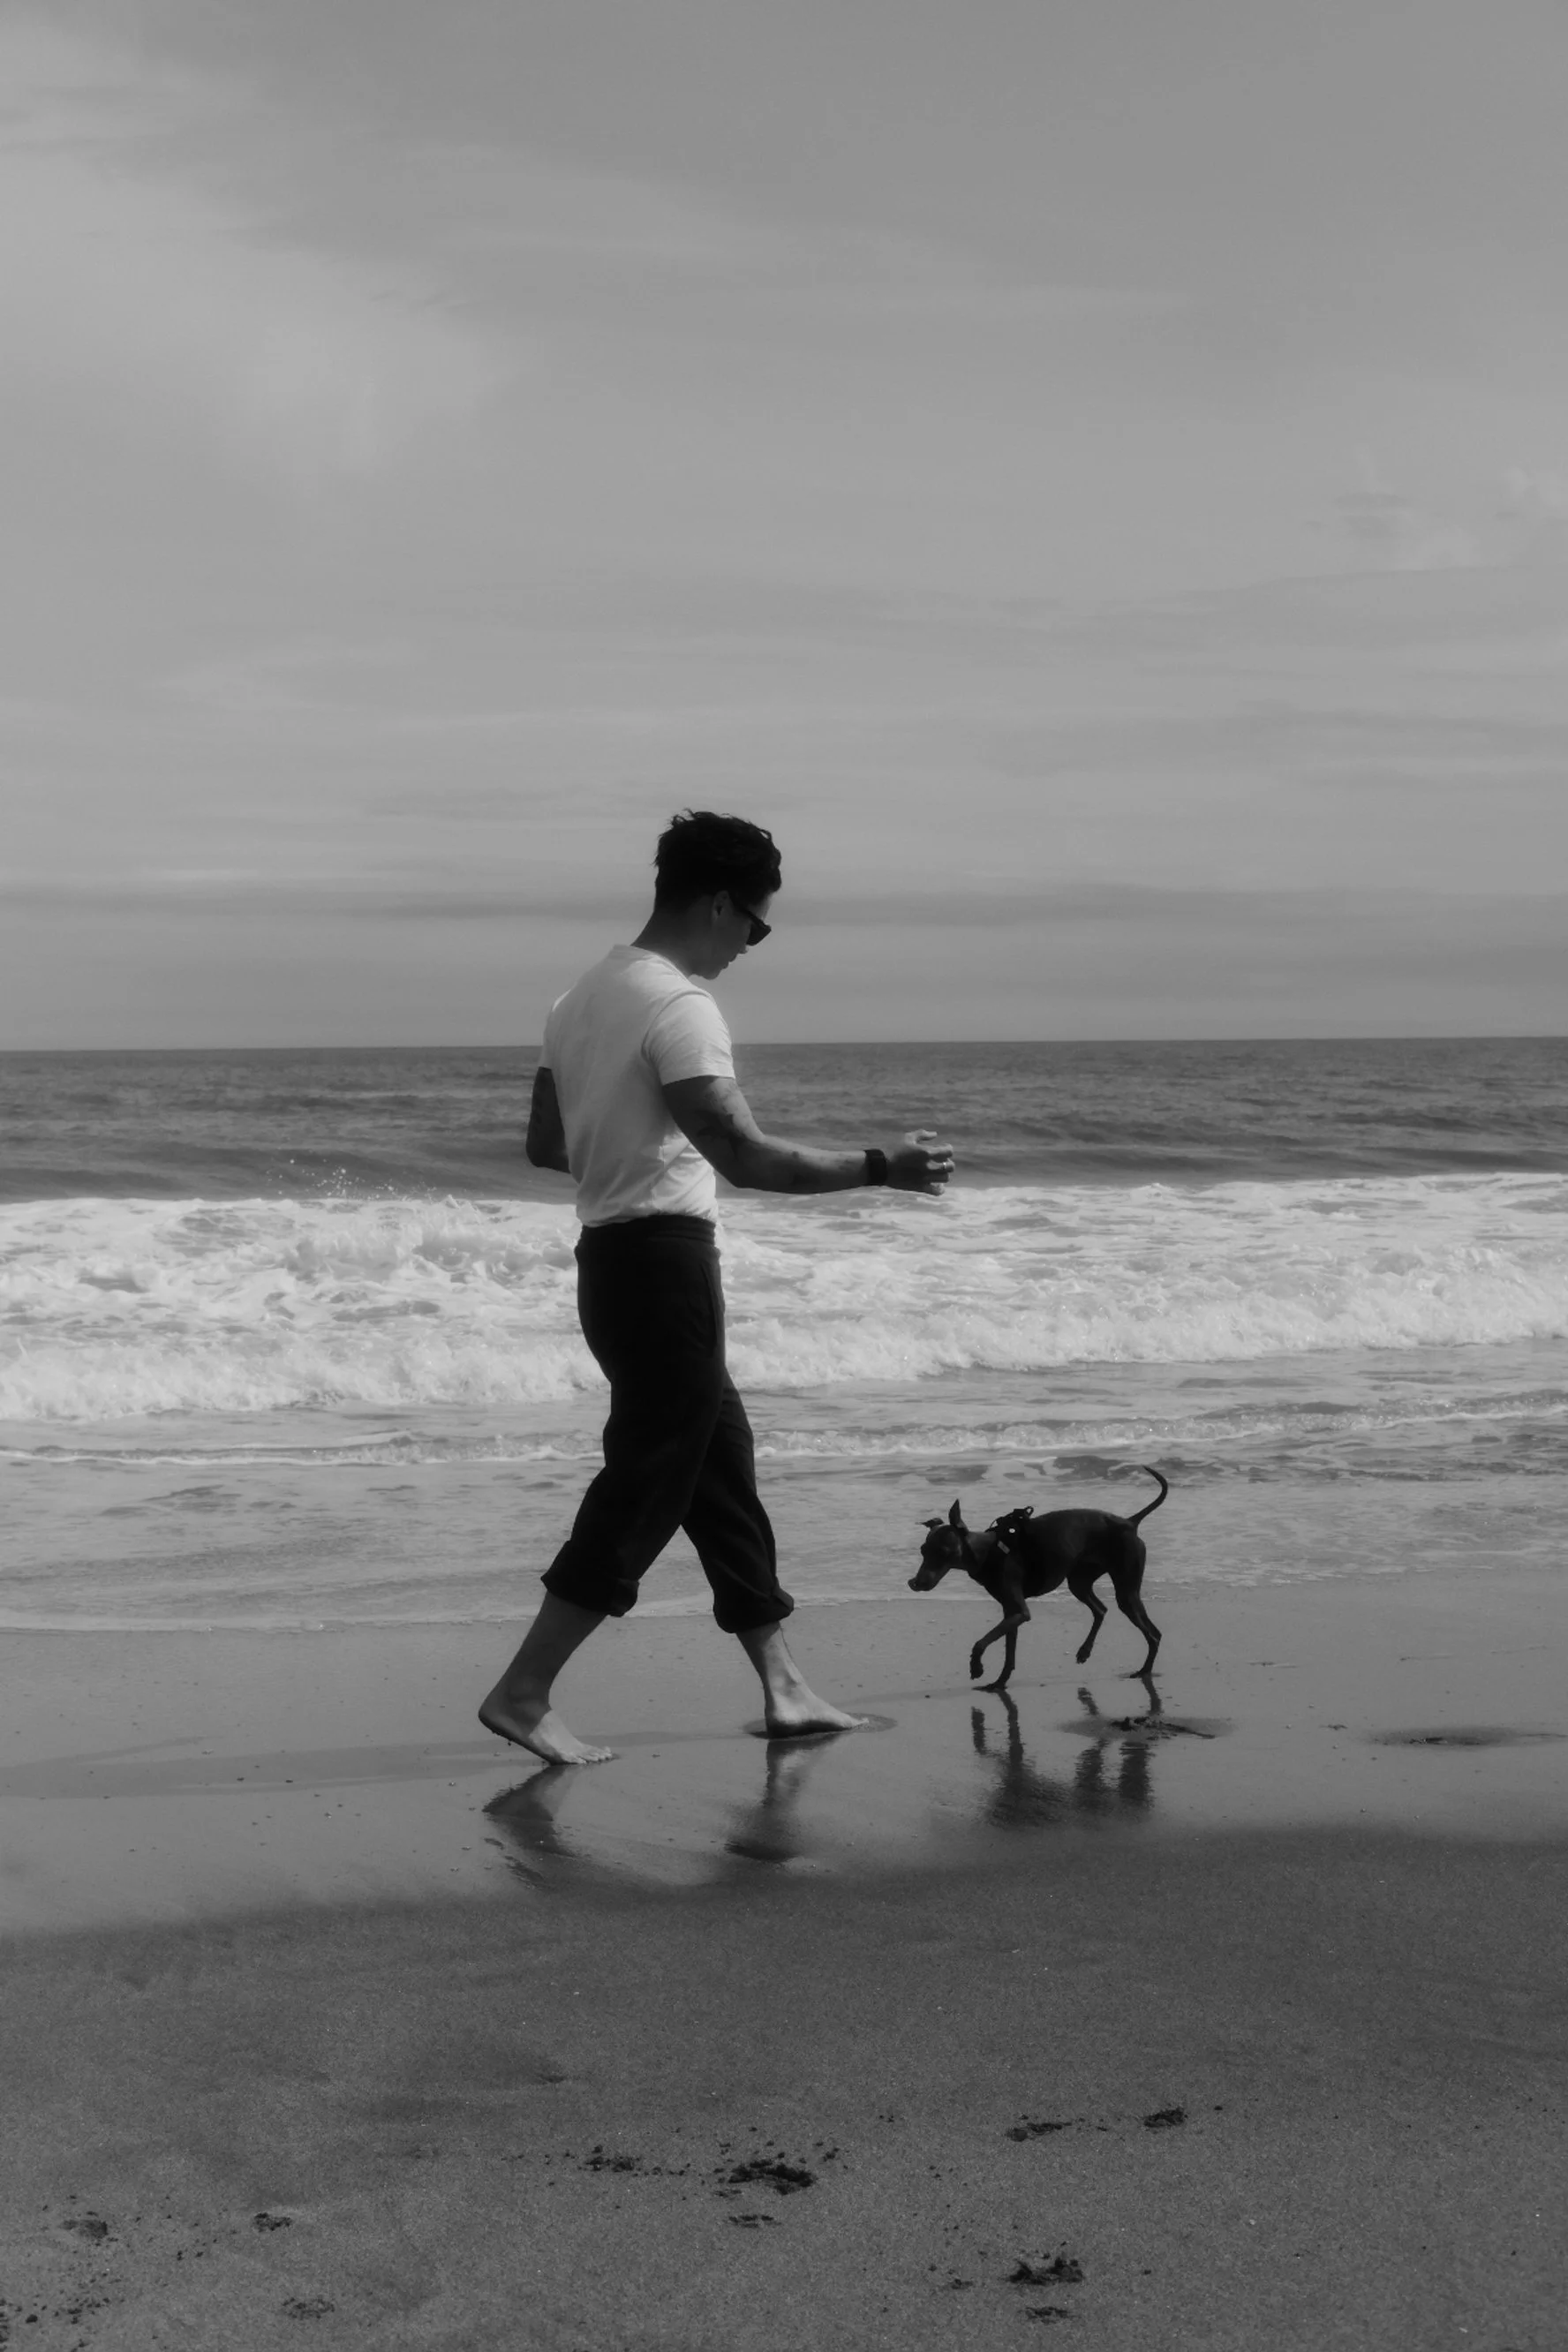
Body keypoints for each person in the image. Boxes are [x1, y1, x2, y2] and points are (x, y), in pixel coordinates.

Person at [479, 810, 954, 1764]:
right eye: (757, 926)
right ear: (719, 904)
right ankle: (524, 1691)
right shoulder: (679, 1006)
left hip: (611, 1265)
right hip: (665, 1267)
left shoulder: (579, 999)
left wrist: (627, 1145)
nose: (751, 945)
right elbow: (744, 1155)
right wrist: (880, 1167)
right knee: (647, 1481)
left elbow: (546, 1145)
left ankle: (785, 1688)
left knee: (718, 1471)